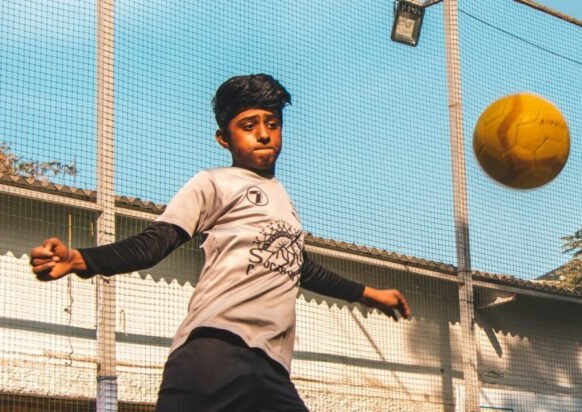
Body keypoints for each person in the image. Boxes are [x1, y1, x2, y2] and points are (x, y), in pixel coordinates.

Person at [29, 74, 411, 412]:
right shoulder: (212, 182)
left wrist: (371, 295)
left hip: (269, 369)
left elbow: (299, 266)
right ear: (223, 138)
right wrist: (81, 259)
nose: (263, 133)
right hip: (214, 355)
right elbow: (154, 243)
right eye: (248, 125)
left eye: (272, 123)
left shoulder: (284, 202)